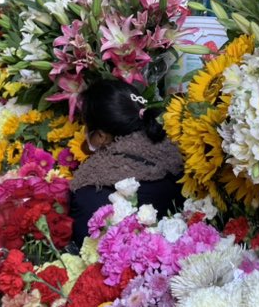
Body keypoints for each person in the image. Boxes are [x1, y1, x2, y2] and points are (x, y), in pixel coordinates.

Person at [68, 79, 184, 246]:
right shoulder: (178, 164)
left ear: (101, 136)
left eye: (85, 126)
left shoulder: (89, 191)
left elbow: (84, 252)